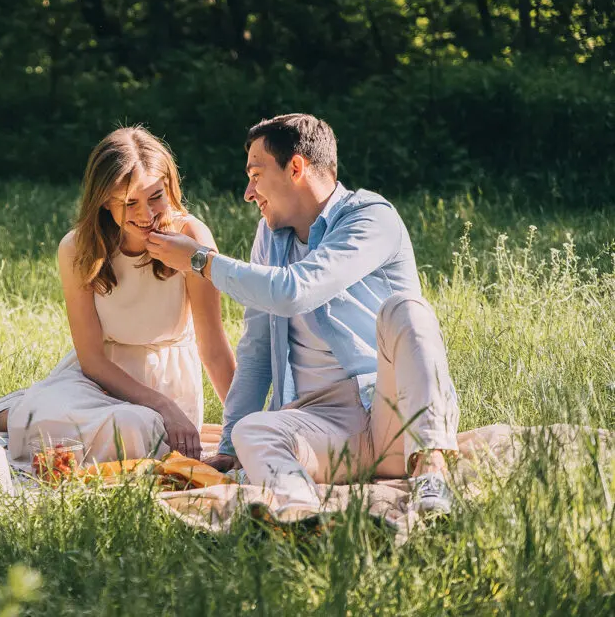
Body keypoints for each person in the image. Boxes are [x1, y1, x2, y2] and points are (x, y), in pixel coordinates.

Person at [145, 113, 459, 515]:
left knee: (407, 310)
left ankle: (431, 472)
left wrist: (203, 262)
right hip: (323, 428)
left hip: (390, 411)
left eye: (255, 175)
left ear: (295, 167)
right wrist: (226, 447)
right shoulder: (269, 237)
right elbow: (257, 349)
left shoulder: (371, 218)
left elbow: (296, 291)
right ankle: (304, 514)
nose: (247, 192)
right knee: (250, 431)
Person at [0, 126, 236, 466]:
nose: (146, 215)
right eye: (130, 203)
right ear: (104, 202)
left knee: (138, 430)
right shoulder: (78, 249)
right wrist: (162, 406)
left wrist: (240, 429)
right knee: (120, 426)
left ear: (170, 186)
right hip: (97, 381)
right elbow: (92, 361)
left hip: (168, 385)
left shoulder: (192, 239)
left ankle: (32, 409)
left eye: (155, 197)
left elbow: (214, 348)